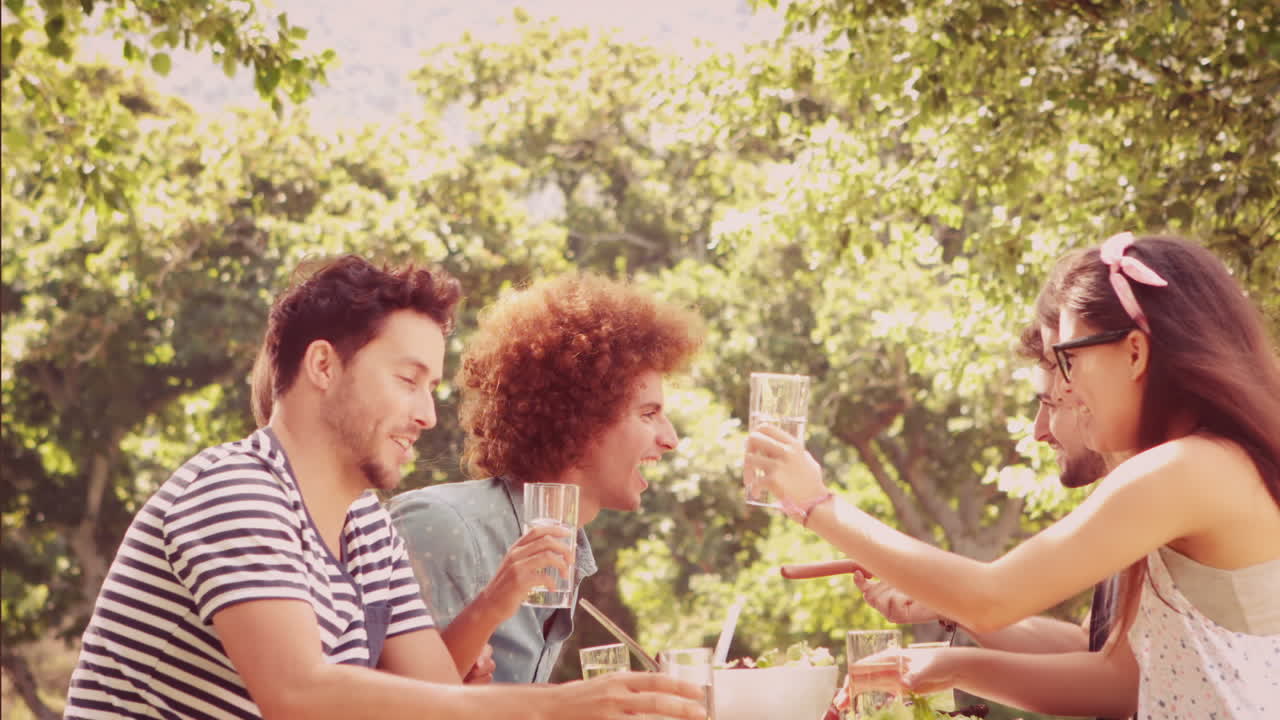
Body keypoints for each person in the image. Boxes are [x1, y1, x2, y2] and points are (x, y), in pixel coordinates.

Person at [65, 256, 706, 720]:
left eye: (433, 388)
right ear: (323, 365)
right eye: (408, 380)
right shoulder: (234, 491)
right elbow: (300, 696)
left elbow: (440, 699)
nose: (427, 414)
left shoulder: (364, 528)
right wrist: (556, 710)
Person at [748, 235, 1280, 719]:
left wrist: (816, 504)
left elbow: (991, 596)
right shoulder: (1204, 465)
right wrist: (950, 668)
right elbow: (1121, 680)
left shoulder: (1183, 470)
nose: (1069, 392)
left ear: (1135, 352)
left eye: (1068, 361)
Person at [388, 272, 703, 683]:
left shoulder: (564, 548)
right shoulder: (443, 527)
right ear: (583, 420)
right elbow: (396, 701)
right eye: (648, 414)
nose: (670, 439)